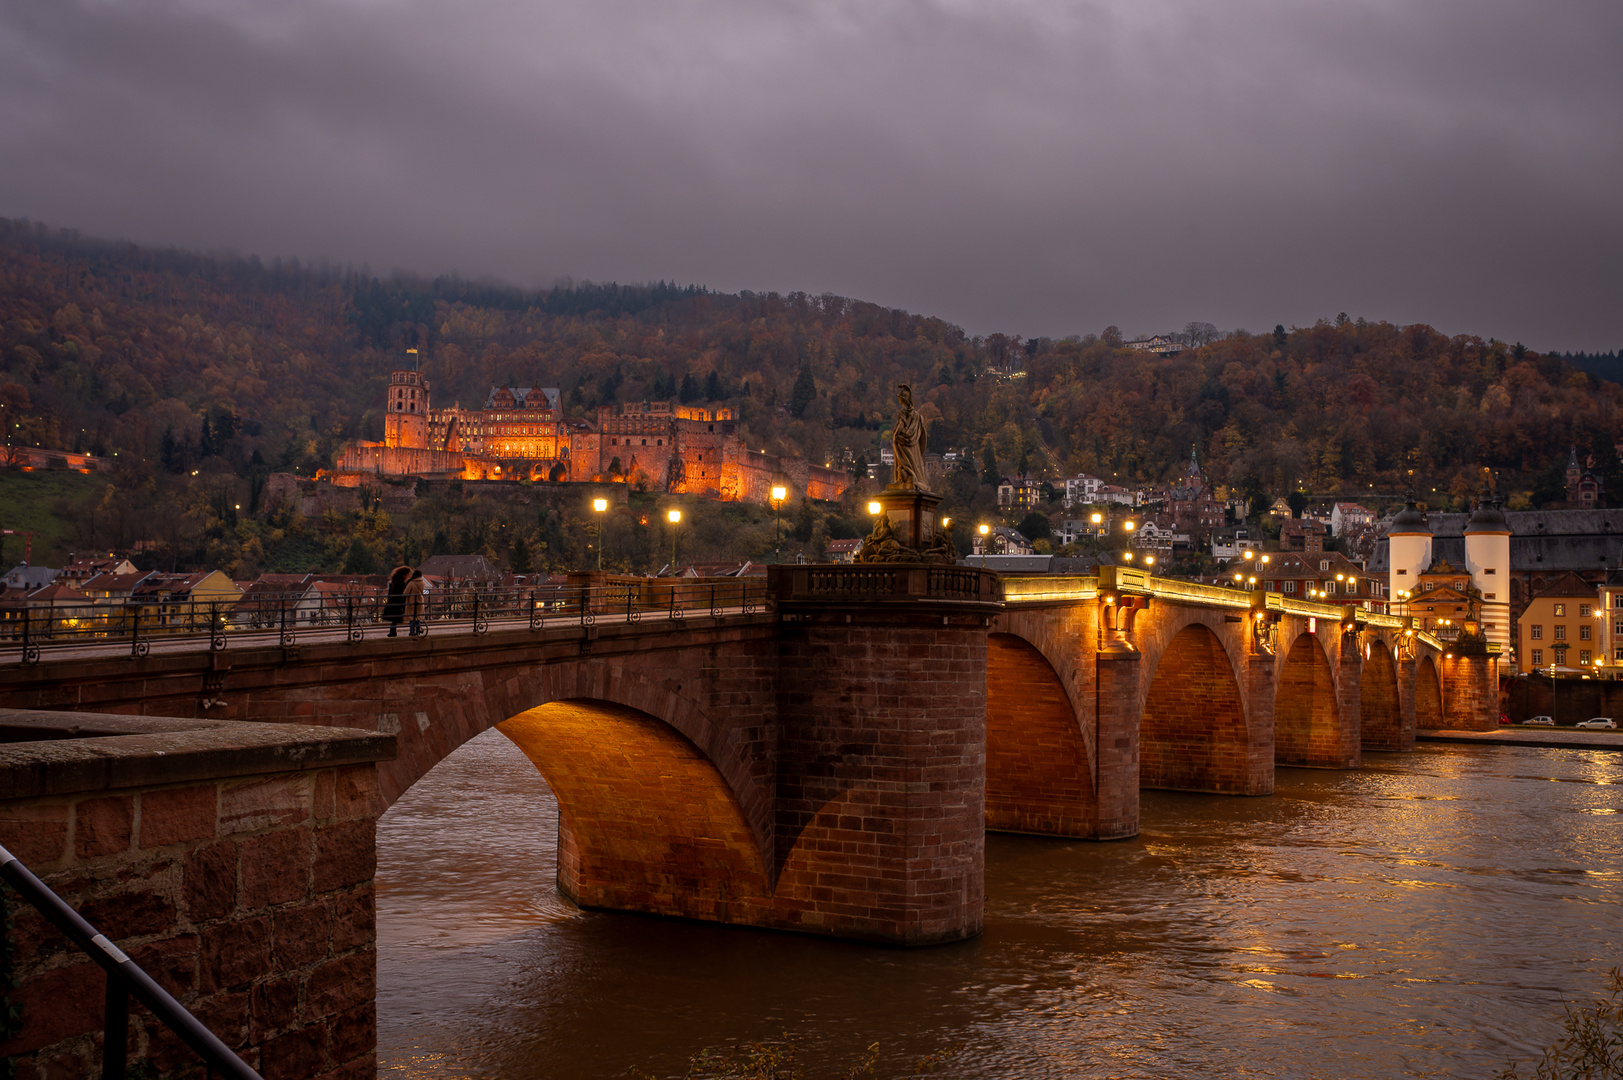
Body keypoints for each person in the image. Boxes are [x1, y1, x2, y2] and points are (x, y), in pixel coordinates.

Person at [891, 384, 928, 491]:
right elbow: (923, 437)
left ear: (903, 400)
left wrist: (895, 435)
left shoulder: (903, 412)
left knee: (905, 462)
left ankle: (905, 477)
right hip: (914, 446)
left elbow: (901, 426)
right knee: (913, 463)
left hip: (903, 443)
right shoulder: (916, 415)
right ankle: (913, 476)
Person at [383, 565, 410, 636]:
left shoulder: (394, 581)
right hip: (397, 601)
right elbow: (402, 592)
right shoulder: (400, 582)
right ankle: (392, 632)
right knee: (395, 618)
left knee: (394, 618)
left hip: (392, 601)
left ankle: (392, 632)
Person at [403, 569, 427, 637]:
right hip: (420, 601)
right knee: (418, 617)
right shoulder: (423, 582)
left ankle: (411, 632)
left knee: (412, 618)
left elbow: (406, 593)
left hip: (412, 602)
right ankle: (418, 630)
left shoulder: (411, 582)